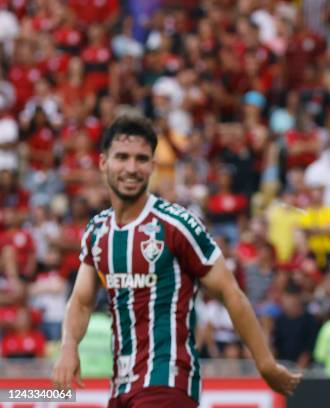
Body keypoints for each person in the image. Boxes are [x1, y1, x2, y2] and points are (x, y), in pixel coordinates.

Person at [52, 114, 300, 406]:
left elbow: (231, 293)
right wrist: (69, 346)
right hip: (121, 386)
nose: (131, 168)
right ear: (103, 162)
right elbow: (81, 300)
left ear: (153, 167)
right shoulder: (97, 231)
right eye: (122, 157)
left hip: (168, 381)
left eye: (141, 159)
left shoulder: (176, 225)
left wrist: (265, 363)